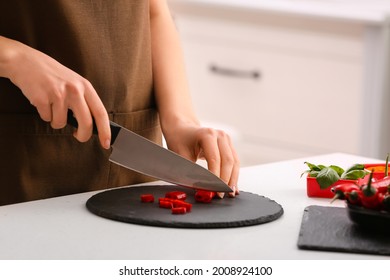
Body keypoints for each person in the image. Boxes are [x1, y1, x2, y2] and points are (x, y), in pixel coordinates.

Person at [0, 0, 239, 206]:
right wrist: (13, 58)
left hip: (136, 174)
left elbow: (153, 11)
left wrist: (181, 121)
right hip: (21, 171)